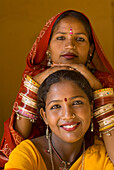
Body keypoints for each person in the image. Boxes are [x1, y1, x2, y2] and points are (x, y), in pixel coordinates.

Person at [0, 10, 114, 168]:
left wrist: (98, 88)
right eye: (61, 38)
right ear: (47, 47)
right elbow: (15, 142)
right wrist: (36, 81)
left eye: (79, 39)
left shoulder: (105, 83)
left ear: (91, 50)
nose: (70, 45)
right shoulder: (34, 80)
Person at [4, 70, 114, 169]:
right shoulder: (27, 154)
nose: (68, 115)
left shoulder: (101, 157)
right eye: (56, 106)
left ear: (91, 108)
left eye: (77, 103)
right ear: (44, 116)